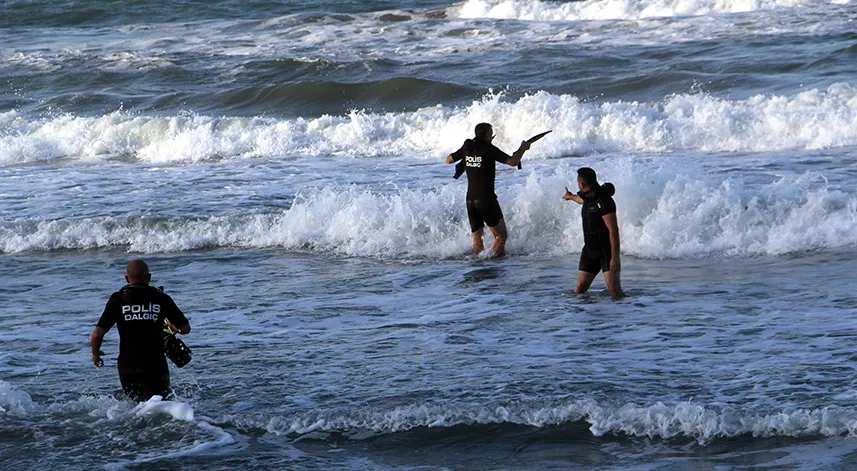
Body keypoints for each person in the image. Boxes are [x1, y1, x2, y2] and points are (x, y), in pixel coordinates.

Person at [91, 260, 191, 401]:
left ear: (127, 279)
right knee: (160, 405)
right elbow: (185, 328)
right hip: (155, 365)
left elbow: (96, 335)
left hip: (127, 365)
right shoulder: (161, 298)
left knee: (135, 407)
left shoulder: (118, 300)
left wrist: (96, 355)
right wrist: (172, 328)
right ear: (149, 277)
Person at [446, 123, 530, 257]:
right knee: (501, 237)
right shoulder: (488, 149)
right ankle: (494, 266)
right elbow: (513, 162)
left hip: (470, 200)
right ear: (486, 135)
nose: (492, 136)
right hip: (486, 199)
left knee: (477, 240)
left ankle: (478, 268)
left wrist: (467, 157)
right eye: (491, 133)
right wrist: (522, 148)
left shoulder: (467, 147)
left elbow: (448, 160)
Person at [563, 168, 624, 297]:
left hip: (605, 252)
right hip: (590, 251)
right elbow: (580, 200)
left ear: (581, 184)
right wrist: (570, 197)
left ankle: (626, 313)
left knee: (615, 291)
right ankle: (589, 315)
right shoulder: (587, 196)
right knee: (580, 289)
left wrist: (615, 258)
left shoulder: (603, 201)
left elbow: (613, 230)